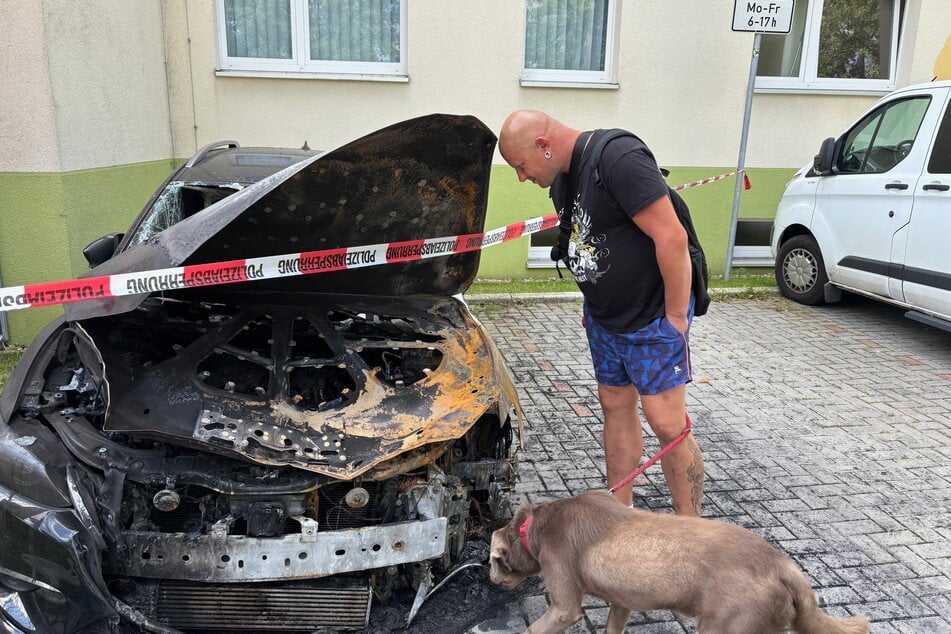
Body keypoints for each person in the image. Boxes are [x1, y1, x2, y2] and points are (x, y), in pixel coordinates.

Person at [498, 110, 703, 515]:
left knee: (666, 424)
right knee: (614, 408)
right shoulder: (564, 179)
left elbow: (672, 238)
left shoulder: (618, 157)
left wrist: (676, 318)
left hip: (650, 318)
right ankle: (619, 518)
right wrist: (595, 306)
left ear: (544, 146)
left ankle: (692, 529)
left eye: (521, 166)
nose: (522, 177)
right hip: (605, 321)